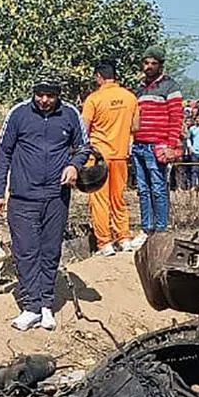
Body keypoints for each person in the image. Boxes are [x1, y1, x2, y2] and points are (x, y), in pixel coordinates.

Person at [0, 74, 91, 332]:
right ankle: (31, 306)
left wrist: (74, 165)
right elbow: (3, 153)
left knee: (50, 251)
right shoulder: (18, 114)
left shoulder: (70, 114)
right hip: (23, 197)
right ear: (33, 92)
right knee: (25, 251)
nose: (45, 100)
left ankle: (47, 304)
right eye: (40, 94)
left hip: (56, 197)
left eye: (50, 95)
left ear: (58, 94)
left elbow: (83, 147)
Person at [81, 60, 137, 256]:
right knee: (118, 198)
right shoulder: (130, 98)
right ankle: (124, 238)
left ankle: (104, 243)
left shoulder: (93, 99)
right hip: (121, 155)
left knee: (99, 200)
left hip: (98, 157)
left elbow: (84, 130)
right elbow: (135, 126)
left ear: (98, 76)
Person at [131, 45, 182, 247]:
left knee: (159, 188)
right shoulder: (140, 88)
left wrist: (170, 145)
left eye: (153, 63)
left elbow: (176, 117)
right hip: (139, 145)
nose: (149, 66)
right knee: (143, 189)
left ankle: (160, 230)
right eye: (146, 63)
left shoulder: (170, 87)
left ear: (161, 65)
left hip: (158, 146)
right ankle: (146, 228)